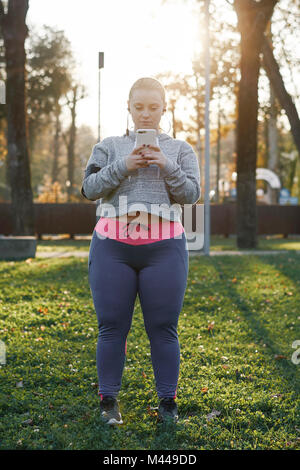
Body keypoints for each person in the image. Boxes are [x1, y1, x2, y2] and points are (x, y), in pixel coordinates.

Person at [81, 77, 201, 425]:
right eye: (139, 107)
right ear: (129, 108)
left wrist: (166, 164)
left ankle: (168, 404)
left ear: (164, 108)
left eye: (153, 107)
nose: (146, 114)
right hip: (111, 247)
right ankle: (108, 404)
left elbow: (191, 195)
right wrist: (124, 166)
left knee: (163, 327)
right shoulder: (108, 146)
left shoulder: (180, 149)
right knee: (111, 326)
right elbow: (89, 188)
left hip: (164, 248)